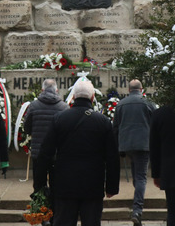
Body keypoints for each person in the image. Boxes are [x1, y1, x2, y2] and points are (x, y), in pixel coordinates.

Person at [33, 79, 120, 226]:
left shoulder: (59, 119)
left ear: (73, 97)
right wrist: (111, 187)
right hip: (93, 185)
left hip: (64, 185)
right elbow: (112, 156)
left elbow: (45, 154)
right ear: (92, 98)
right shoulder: (103, 121)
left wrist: (40, 185)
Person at [113, 79, 156, 225]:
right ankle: (137, 210)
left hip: (127, 145)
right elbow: (155, 123)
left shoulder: (121, 104)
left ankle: (137, 201)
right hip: (143, 145)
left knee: (136, 176)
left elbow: (116, 127)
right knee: (141, 177)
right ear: (141, 89)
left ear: (129, 89)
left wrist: (119, 146)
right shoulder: (148, 103)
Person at [22, 78, 68, 174]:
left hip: (38, 152)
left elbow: (26, 127)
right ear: (56, 90)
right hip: (57, 152)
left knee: (39, 185)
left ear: (42, 90)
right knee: (56, 185)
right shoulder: (64, 107)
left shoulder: (34, 106)